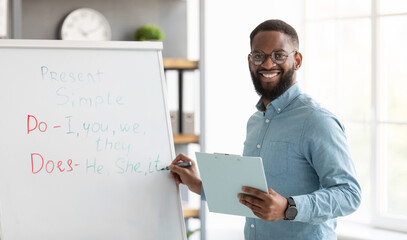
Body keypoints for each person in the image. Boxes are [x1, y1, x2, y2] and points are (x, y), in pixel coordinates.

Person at [169, 19, 361, 240]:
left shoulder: (317, 120)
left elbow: (349, 194)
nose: (268, 64)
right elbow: (252, 196)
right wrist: (199, 184)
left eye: (279, 55)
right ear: (250, 61)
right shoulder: (256, 122)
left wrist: (289, 207)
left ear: (297, 60)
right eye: (259, 56)